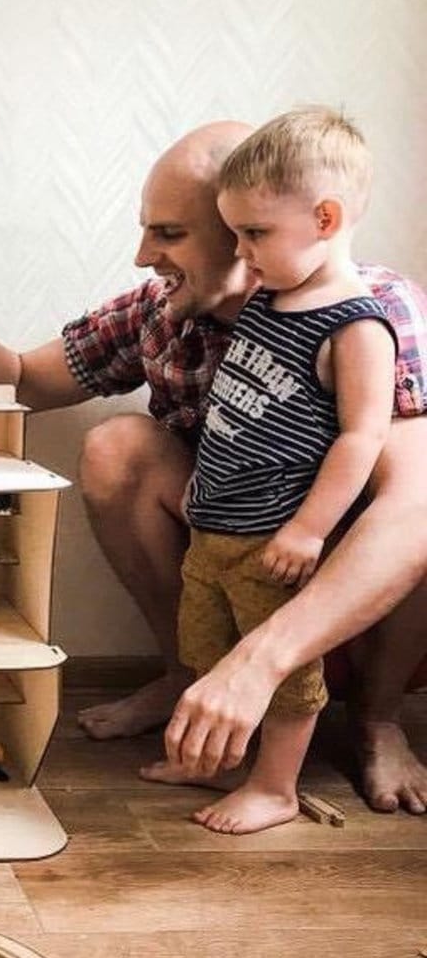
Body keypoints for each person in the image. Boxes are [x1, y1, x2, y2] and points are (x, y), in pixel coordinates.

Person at [0, 120, 427, 815]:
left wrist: (262, 660)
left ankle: (376, 717)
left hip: (334, 567)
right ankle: (190, 681)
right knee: (117, 446)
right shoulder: (164, 309)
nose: (144, 254)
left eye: (170, 234)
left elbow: (411, 512)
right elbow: (29, 379)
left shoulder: (367, 314)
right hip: (230, 551)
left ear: (242, 230)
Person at [138, 108, 396, 833]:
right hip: (212, 531)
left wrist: (311, 530)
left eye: (256, 234)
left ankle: (276, 788)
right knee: (205, 647)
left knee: (281, 676)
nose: (242, 251)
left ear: (325, 217)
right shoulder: (268, 298)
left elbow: (361, 437)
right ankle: (211, 757)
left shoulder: (356, 324)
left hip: (272, 541)